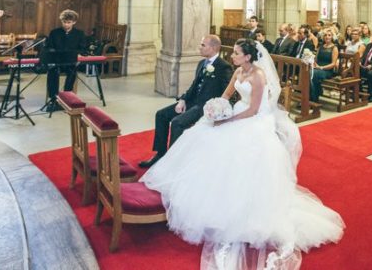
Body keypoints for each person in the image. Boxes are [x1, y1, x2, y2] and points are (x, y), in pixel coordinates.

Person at [141, 39, 344, 268]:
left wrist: (227, 120)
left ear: (248, 56)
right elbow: (227, 95)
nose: (233, 56)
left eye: (236, 53)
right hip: (235, 113)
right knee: (200, 135)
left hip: (253, 120)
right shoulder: (238, 70)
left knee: (235, 152)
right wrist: (215, 110)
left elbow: (253, 110)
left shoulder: (258, 76)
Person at [139, 35, 233, 168]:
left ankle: (172, 161)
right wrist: (182, 99)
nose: (199, 47)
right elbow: (194, 86)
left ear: (213, 48)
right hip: (192, 102)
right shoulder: (202, 63)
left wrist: (215, 109)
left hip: (205, 107)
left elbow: (226, 93)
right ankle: (160, 154)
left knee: (177, 123)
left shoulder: (224, 67)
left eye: (203, 45)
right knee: (161, 114)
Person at [44, 9, 86, 111]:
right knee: (52, 71)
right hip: (57, 61)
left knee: (72, 72)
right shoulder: (54, 32)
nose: (66, 25)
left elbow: (83, 48)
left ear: (74, 22)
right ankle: (53, 99)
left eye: (69, 22)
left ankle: (67, 97)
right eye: (64, 22)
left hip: (70, 62)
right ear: (61, 21)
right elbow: (49, 47)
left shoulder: (79, 33)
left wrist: (79, 54)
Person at [310, 30, 338, 103]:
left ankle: (314, 99)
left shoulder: (334, 48)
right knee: (308, 73)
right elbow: (315, 59)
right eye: (325, 35)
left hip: (327, 71)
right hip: (318, 68)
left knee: (312, 74)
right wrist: (314, 64)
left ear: (332, 37)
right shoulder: (320, 47)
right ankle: (311, 96)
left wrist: (321, 68)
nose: (327, 37)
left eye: (329, 35)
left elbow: (333, 64)